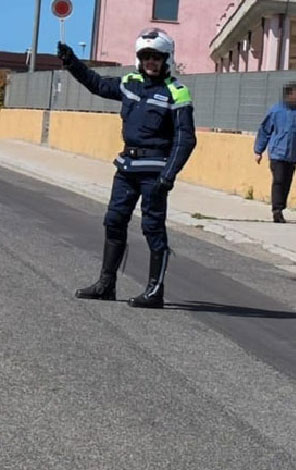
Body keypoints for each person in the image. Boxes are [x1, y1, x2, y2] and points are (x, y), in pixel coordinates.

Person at [59, 28, 196, 309]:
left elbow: (186, 138)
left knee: (152, 227)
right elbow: (97, 84)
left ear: (166, 59)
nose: (151, 62)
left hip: (155, 172)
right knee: (113, 220)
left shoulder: (177, 92)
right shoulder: (129, 83)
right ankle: (106, 284)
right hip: (126, 168)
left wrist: (168, 176)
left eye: (156, 57)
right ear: (139, 58)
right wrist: (71, 62)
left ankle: (154, 291)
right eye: (146, 56)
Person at [253, 82, 296, 223]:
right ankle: (277, 210)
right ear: (289, 94)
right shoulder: (276, 111)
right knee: (279, 180)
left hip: (292, 154)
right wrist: (258, 151)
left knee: (287, 182)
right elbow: (265, 131)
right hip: (277, 152)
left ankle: (281, 207)